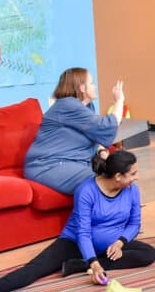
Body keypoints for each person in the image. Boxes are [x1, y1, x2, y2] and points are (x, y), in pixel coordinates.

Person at [0, 150, 155, 292]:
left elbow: (134, 223)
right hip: (75, 242)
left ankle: (78, 265)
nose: (136, 178)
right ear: (117, 176)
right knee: (37, 267)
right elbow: (83, 232)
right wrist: (94, 262)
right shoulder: (86, 191)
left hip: (111, 246)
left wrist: (120, 242)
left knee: (147, 254)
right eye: (133, 174)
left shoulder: (132, 191)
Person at [24, 68, 125, 196]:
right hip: (47, 165)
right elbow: (105, 127)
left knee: (121, 175)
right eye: (92, 83)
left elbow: (94, 135)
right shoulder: (67, 105)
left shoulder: (87, 107)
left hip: (72, 162)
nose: (95, 86)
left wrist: (101, 151)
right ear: (82, 88)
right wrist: (119, 101)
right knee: (105, 181)